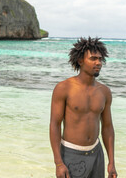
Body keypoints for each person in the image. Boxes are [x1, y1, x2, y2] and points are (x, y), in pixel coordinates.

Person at [49, 37, 117, 178]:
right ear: (80, 61)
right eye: (93, 58)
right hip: (71, 154)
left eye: (100, 59)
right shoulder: (64, 88)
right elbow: (55, 125)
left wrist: (111, 162)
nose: (98, 62)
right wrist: (59, 163)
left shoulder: (104, 92)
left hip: (96, 153)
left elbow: (107, 127)